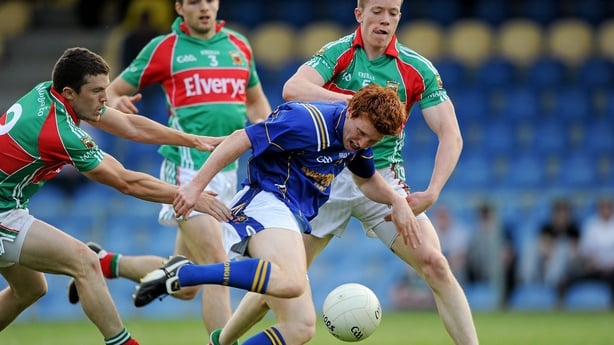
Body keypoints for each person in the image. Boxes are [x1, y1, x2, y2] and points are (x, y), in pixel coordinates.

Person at [212, 0, 479, 344]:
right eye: (377, 11)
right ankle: (220, 341)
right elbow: (293, 89)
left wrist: (434, 190)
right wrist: (356, 103)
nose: (384, 20)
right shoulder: (339, 53)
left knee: (435, 265)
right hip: (325, 175)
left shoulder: (417, 69)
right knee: (284, 280)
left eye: (393, 13)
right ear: (360, 14)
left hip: (380, 180)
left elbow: (450, 133)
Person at [133, 84, 419, 345]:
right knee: (291, 281)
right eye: (361, 133)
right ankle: (185, 273)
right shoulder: (307, 120)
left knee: (300, 327)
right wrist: (196, 187)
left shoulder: (354, 141)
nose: (362, 143)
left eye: (371, 141)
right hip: (267, 201)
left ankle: (218, 342)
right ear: (352, 110)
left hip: (292, 217)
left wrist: (397, 201)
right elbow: (240, 138)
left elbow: (367, 180)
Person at [66, 0, 272, 334]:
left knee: (188, 284)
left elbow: (256, 100)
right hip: (187, 171)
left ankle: (106, 262)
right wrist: (117, 101)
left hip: (229, 172)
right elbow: (114, 92)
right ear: (179, 7)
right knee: (217, 265)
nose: (204, 7)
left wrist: (265, 126)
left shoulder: (239, 46)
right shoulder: (165, 49)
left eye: (209, 0)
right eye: (194, 1)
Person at [0, 47, 231, 344]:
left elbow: (127, 124)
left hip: (10, 205)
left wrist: (190, 140)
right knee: (83, 261)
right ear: (70, 92)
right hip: (3, 211)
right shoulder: (57, 131)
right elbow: (125, 181)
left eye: (106, 90)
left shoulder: (51, 94)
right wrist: (189, 194)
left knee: (31, 290)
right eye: (97, 91)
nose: (105, 99)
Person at [558, 197, 614, 308]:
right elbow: (586, 249)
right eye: (603, 207)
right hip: (595, 267)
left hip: (611, 268)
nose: (605, 210)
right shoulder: (592, 225)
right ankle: (560, 301)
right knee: (570, 278)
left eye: (608, 207)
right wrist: (592, 262)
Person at [466, 203, 516, 308]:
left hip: (496, 266)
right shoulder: (476, 233)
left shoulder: (502, 231)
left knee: (497, 263)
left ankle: (501, 300)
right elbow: (472, 254)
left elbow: (509, 251)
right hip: (477, 267)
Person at [522, 199, 580, 288]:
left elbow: (574, 253)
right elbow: (543, 249)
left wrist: (556, 250)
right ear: (553, 214)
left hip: (567, 269)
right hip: (546, 265)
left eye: (564, 212)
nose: (562, 216)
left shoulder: (574, 230)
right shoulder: (547, 229)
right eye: (558, 212)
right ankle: (528, 284)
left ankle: (550, 287)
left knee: (562, 249)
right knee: (531, 246)